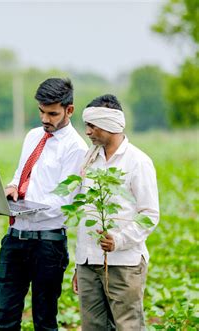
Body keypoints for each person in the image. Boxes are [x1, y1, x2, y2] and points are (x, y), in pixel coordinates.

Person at [0, 78, 88, 330]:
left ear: (69, 110)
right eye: (41, 111)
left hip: (48, 245)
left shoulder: (76, 148)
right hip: (15, 238)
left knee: (44, 321)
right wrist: (8, 192)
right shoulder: (32, 136)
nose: (45, 119)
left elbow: (64, 202)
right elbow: (21, 176)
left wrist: (27, 206)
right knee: (5, 318)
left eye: (52, 113)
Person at [72, 94, 160, 330]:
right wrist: (79, 265)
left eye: (92, 126)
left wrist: (119, 240)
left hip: (124, 263)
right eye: (86, 126)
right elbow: (85, 212)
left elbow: (149, 213)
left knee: (127, 326)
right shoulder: (90, 160)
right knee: (92, 327)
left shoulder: (137, 162)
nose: (87, 132)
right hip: (88, 261)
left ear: (110, 124)